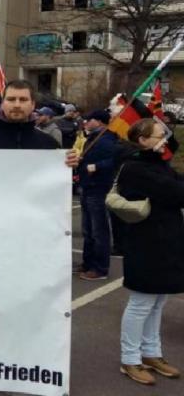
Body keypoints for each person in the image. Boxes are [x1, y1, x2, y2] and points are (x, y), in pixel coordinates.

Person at [115, 118, 184, 386]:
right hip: (145, 244)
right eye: (159, 136)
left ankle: (151, 353)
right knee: (141, 303)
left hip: (166, 242)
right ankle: (130, 359)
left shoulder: (159, 164)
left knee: (157, 302)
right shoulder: (135, 168)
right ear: (143, 140)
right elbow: (177, 193)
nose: (165, 140)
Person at [75, 109, 119, 281]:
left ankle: (100, 268)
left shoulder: (107, 140)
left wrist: (96, 166)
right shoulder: (93, 138)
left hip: (98, 188)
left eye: (89, 119)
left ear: (100, 122)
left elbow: (116, 159)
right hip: (87, 186)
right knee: (88, 229)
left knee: (98, 230)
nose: (86, 122)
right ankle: (88, 263)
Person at [0, 81, 64, 151]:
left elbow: (60, 176)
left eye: (23, 99)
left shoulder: (49, 144)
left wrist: (70, 165)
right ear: (2, 104)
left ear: (33, 104)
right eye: (11, 99)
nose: (17, 105)